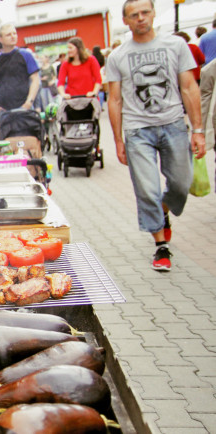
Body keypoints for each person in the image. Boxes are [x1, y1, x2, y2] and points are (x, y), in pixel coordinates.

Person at [107, 0, 206, 272]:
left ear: (153, 14)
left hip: (173, 124)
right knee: (147, 190)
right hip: (137, 131)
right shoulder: (117, 56)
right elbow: (114, 101)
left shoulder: (175, 46)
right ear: (126, 21)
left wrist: (198, 130)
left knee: (181, 184)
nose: (140, 18)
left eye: (145, 12)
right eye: (134, 15)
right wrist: (118, 140)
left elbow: (189, 88)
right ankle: (161, 245)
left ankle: (162, 210)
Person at [0, 24, 40, 115]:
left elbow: (35, 79)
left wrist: (29, 102)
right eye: (8, 35)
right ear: (0, 39)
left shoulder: (26, 55)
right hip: (3, 109)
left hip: (23, 106)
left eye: (14, 33)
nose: (13, 37)